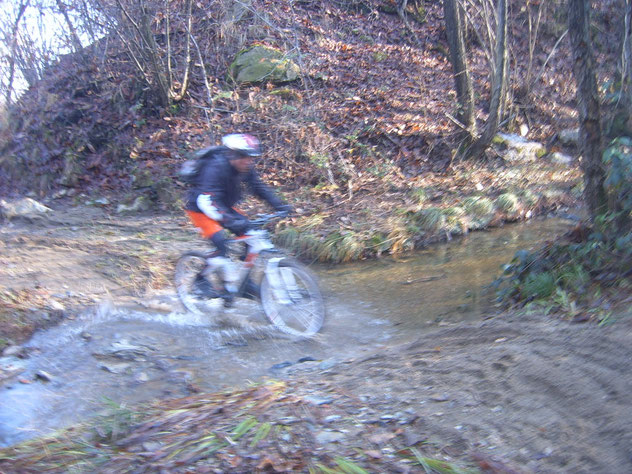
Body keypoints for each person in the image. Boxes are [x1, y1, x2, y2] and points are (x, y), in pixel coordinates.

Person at [185, 133, 291, 304]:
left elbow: (258, 188)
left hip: (223, 205)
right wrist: (229, 220)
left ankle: (244, 281)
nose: (248, 161)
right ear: (232, 155)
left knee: (252, 235)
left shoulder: (245, 167)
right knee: (221, 244)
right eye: (244, 157)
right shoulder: (215, 167)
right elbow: (207, 200)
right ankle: (200, 281)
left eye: (251, 158)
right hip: (200, 207)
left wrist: (280, 206)